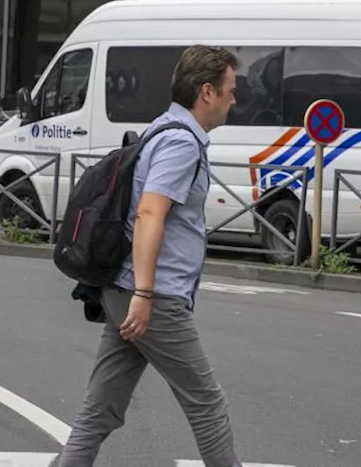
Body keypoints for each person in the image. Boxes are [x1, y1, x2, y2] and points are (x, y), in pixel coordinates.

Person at [55, 45, 241, 467]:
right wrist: (145, 291)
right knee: (207, 404)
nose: (235, 98)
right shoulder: (181, 143)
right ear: (207, 92)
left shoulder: (162, 128)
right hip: (151, 297)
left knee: (101, 406)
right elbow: (150, 212)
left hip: (123, 289)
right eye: (231, 89)